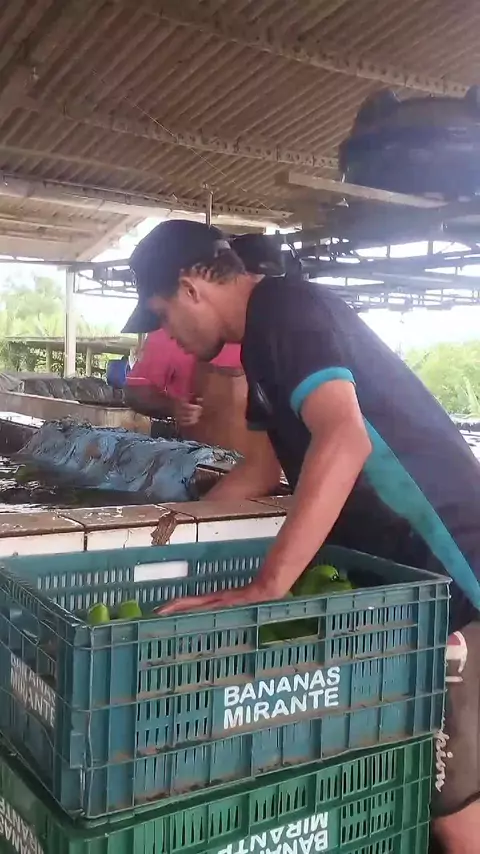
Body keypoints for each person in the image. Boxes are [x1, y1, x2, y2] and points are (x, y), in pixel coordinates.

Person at [125, 218, 480, 852]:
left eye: (163, 316)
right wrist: (163, 531)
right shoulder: (262, 341)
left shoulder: (286, 310)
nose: (168, 337)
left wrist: (268, 586)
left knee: (452, 801)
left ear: (191, 288)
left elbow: (345, 438)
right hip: (404, 574)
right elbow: (262, 471)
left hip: (446, 558)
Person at [123, 232, 287, 437]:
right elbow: (136, 390)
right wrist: (173, 407)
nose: (168, 332)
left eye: (164, 315)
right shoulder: (173, 332)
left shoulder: (296, 332)